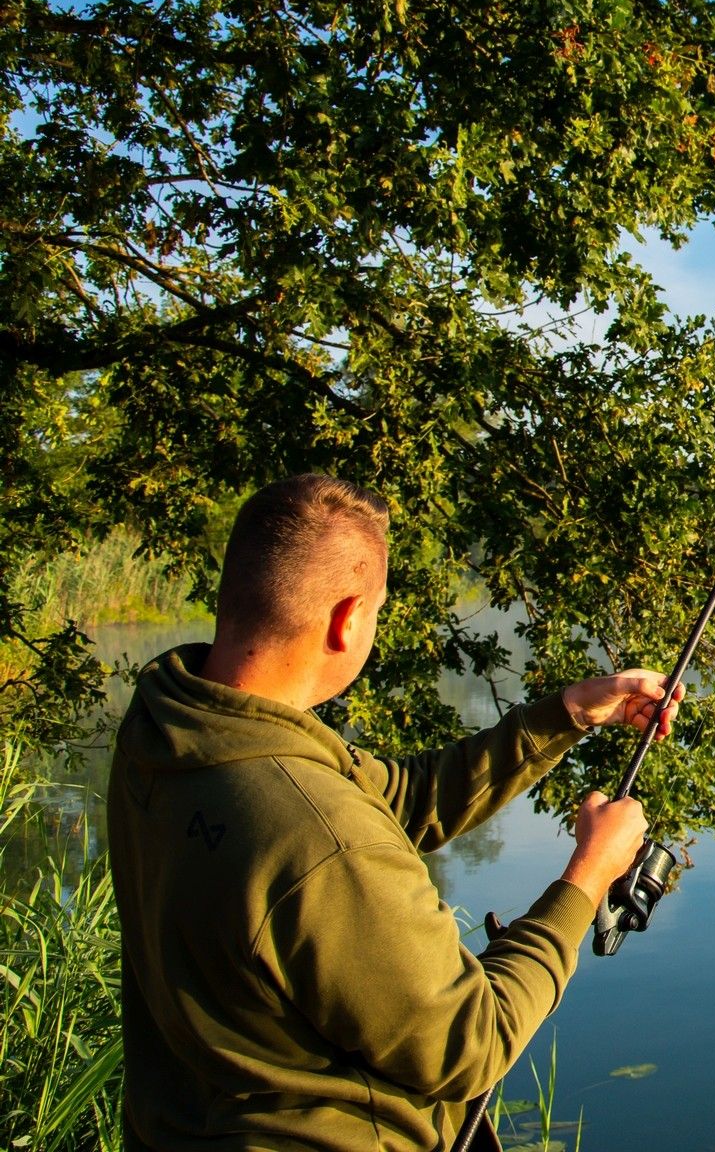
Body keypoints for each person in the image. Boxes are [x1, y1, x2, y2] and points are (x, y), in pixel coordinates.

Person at [107, 473, 681, 1151]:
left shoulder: (169, 726)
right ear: (348, 618)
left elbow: (398, 799)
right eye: (378, 609)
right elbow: (473, 1039)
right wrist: (587, 878)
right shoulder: (319, 841)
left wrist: (567, 714)